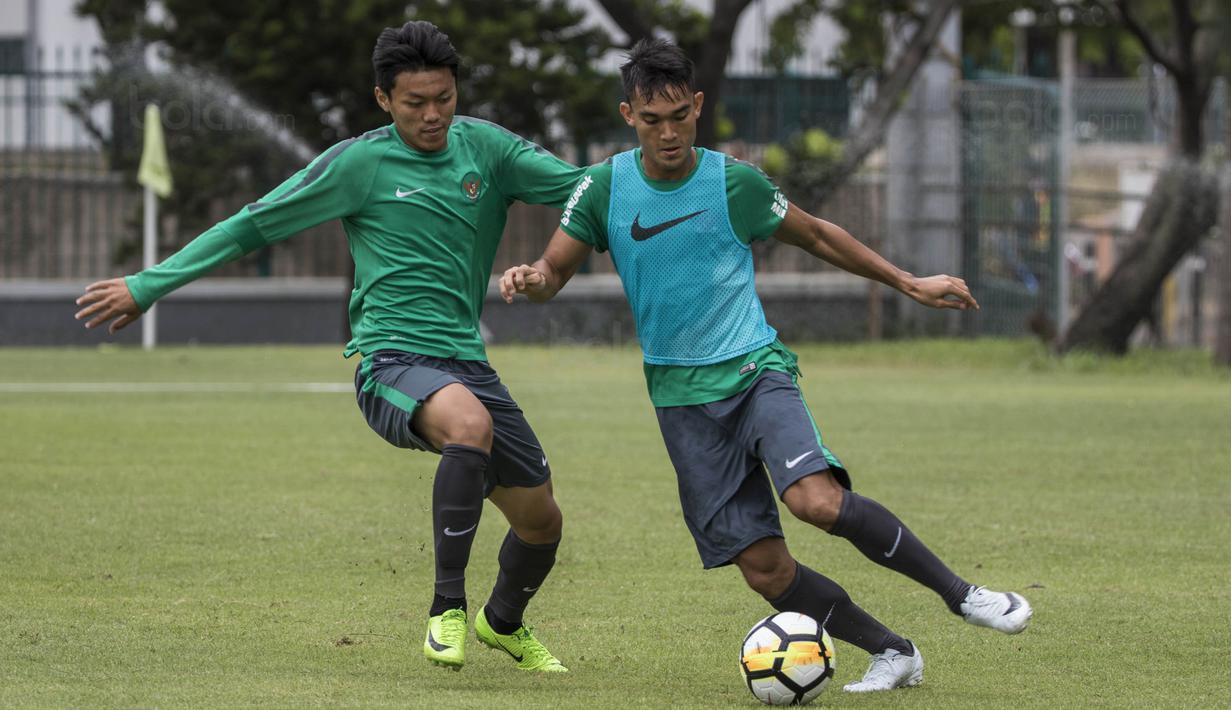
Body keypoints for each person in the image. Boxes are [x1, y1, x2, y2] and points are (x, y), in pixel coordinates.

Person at [499, 38, 1032, 693]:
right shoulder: (604, 186)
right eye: (650, 119)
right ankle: (894, 652)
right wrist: (531, 277)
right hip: (679, 398)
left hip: (754, 373)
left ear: (697, 107)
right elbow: (555, 269)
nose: (667, 133)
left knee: (817, 501)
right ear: (628, 115)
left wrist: (906, 281)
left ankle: (962, 594)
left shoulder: (733, 182)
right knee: (763, 568)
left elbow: (815, 234)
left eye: (678, 117)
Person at [74, 20, 579, 674]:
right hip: (391, 361)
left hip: (466, 361)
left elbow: (588, 189)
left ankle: (501, 621)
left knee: (541, 521)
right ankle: (444, 612)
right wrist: (148, 284)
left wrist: (552, 263)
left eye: (444, 99)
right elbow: (250, 225)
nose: (432, 116)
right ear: (382, 100)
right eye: (414, 103)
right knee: (468, 424)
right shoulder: (357, 164)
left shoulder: (488, 150)